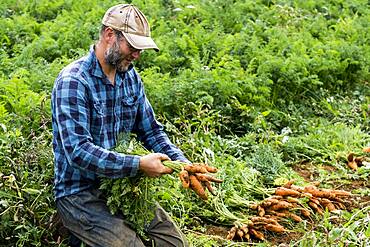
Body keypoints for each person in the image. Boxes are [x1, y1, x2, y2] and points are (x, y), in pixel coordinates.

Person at [51, 4, 189, 247]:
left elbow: (151, 131)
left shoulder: (130, 77)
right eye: (132, 46)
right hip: (79, 194)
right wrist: (138, 165)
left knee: (174, 243)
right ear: (109, 35)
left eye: (140, 49)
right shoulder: (74, 81)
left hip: (120, 186)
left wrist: (183, 164)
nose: (137, 55)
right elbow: (78, 152)